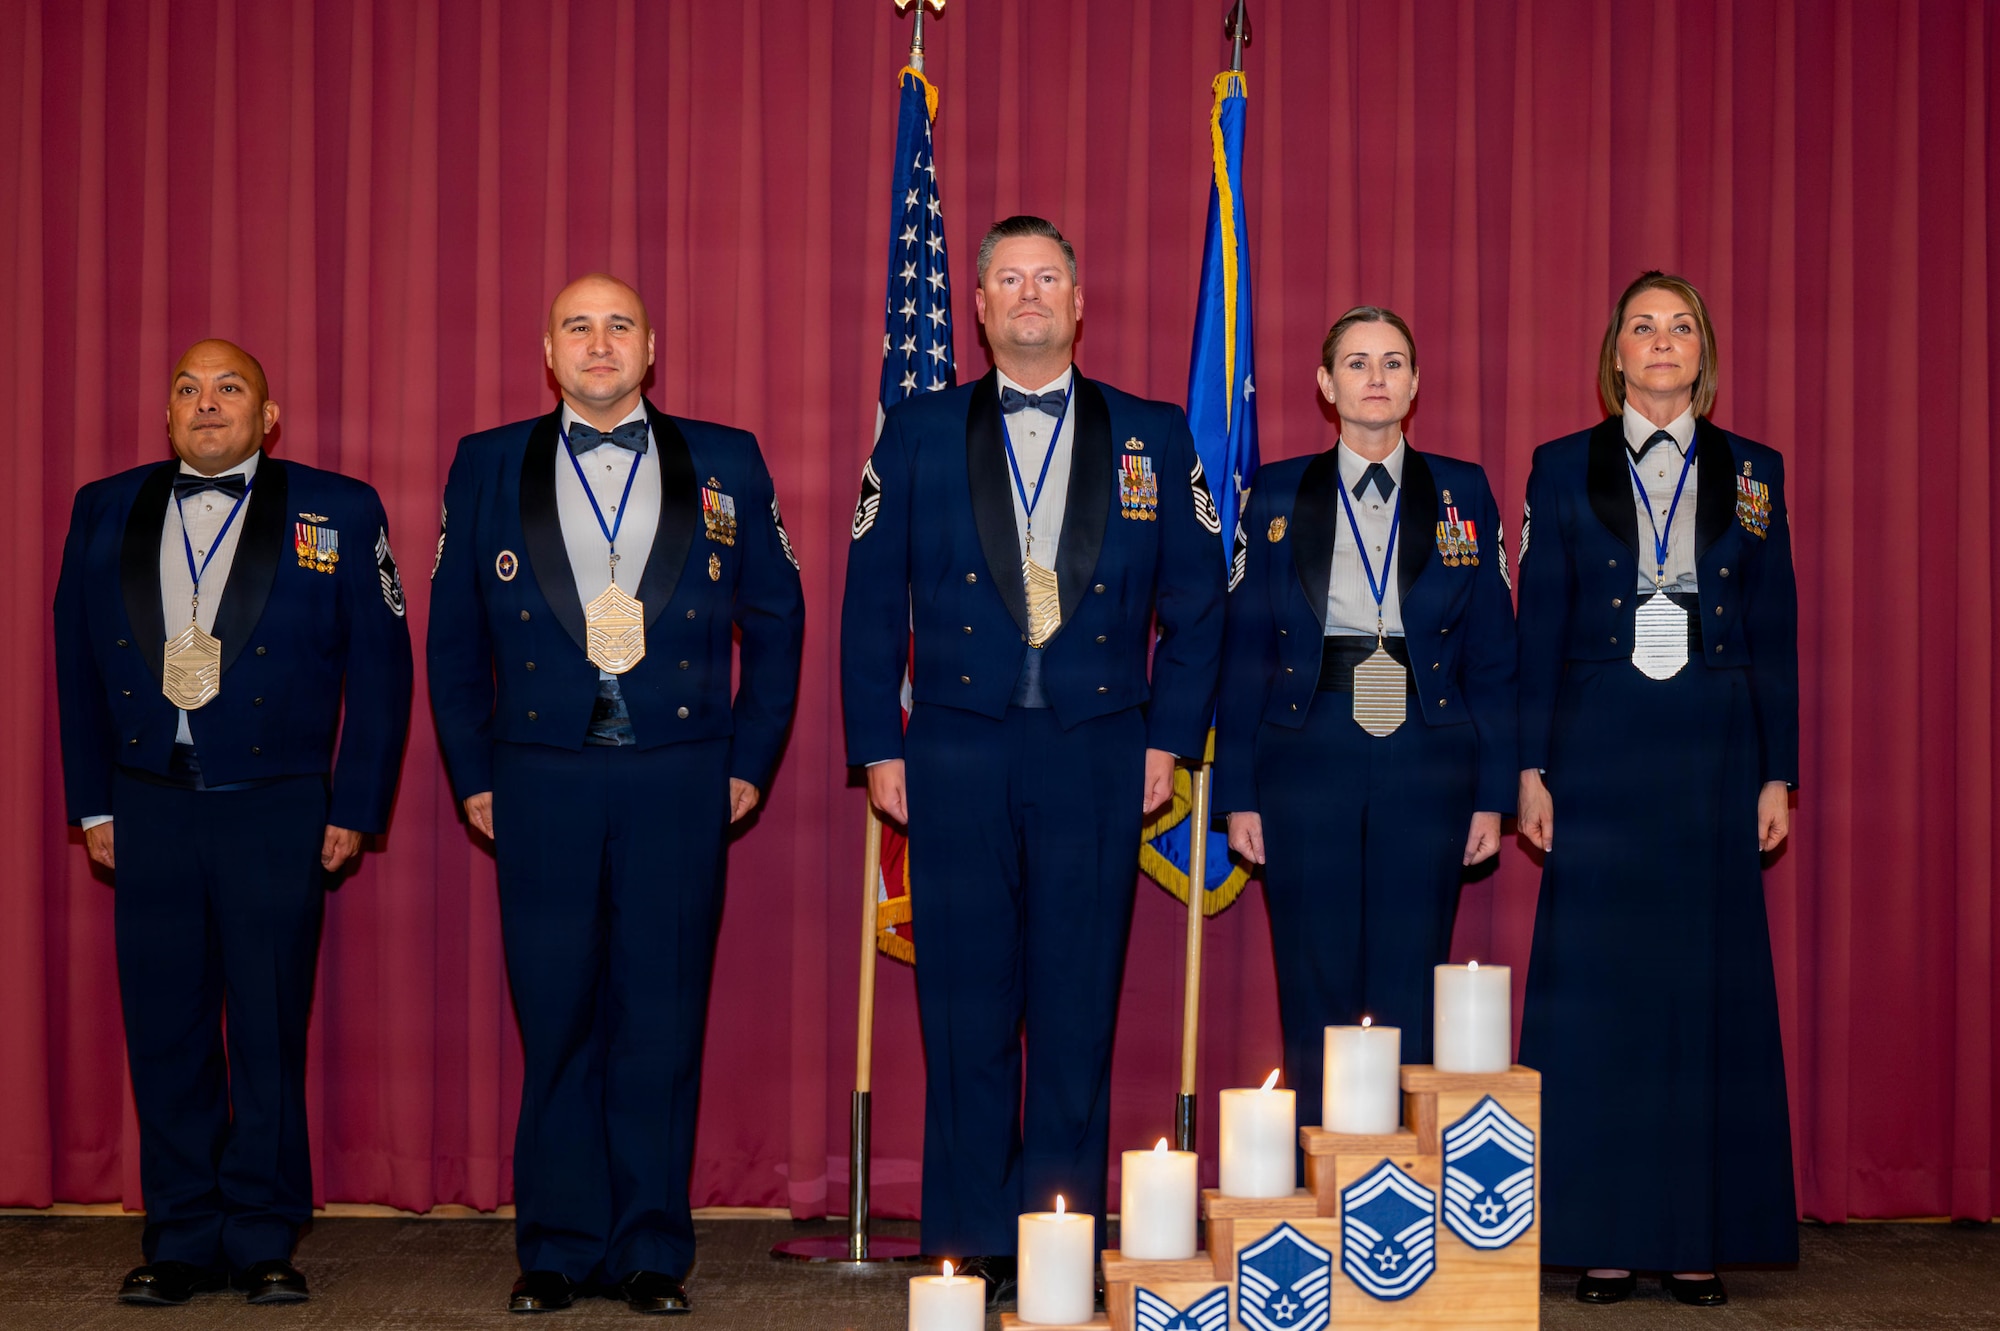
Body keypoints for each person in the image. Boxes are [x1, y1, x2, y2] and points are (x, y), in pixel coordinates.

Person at [840, 216, 1226, 1291]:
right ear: (974, 304)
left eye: (1045, 276)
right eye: (1006, 278)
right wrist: (877, 741)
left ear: (1077, 298)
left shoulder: (1152, 434)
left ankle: (1055, 1229)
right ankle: (967, 1231)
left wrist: (1169, 738)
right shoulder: (915, 432)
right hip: (953, 749)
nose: (1026, 294)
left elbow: (1199, 606)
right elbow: (870, 601)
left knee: (1073, 999)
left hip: (1098, 751)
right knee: (963, 1000)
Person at [427, 273, 804, 1315]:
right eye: (578, 327)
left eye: (619, 325)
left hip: (680, 778)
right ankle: (552, 1246)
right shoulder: (488, 462)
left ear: (652, 347)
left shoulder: (725, 458)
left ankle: (647, 1246)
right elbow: (452, 639)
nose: (600, 344)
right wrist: (471, 775)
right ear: (547, 351)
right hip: (536, 778)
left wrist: (749, 760)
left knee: (660, 1018)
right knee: (554, 1018)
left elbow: (777, 622)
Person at [54, 339, 413, 1306]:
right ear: (168, 414)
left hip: (280, 806)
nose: (206, 404)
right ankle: (179, 1232)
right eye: (187, 388)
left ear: (269, 413)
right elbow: (75, 667)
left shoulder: (339, 509)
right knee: (165, 1027)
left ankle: (261, 1233)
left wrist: (357, 806)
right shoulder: (104, 506)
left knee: (265, 1024)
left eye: (229, 388)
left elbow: (381, 673)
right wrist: (91, 801)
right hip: (146, 803)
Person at [1515, 272, 1799, 1306]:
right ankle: (1597, 1231)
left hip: (1715, 745)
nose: (1662, 341)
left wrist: (1779, 767)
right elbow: (1534, 621)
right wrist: (1526, 764)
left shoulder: (1751, 468)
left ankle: (1691, 1235)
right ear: (1614, 353)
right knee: (1600, 991)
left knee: (1701, 986)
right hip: (1596, 740)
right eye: (1642, 326)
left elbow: (1775, 626)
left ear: (1702, 352)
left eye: (1680, 326)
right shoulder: (1559, 465)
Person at [1215, 306, 1516, 1123]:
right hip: (1307, 749)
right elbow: (1242, 652)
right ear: (1325, 384)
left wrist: (1493, 792)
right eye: (1356, 363)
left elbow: (1493, 653)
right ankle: (1321, 1183)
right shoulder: (1276, 491)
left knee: (1412, 972)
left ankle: (1397, 1193)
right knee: (1312, 973)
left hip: (1429, 752)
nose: (1375, 378)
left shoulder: (1464, 489)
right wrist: (1238, 791)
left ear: (1416, 384)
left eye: (1392, 363)